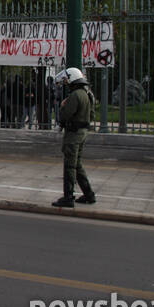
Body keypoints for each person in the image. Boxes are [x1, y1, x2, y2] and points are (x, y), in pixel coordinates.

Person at [51, 67, 97, 208]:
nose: (66, 83)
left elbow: (65, 115)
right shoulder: (87, 93)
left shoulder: (75, 95)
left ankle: (68, 197)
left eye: (67, 80)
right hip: (82, 132)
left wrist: (63, 106)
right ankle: (89, 194)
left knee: (70, 166)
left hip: (73, 134)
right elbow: (92, 115)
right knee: (77, 165)